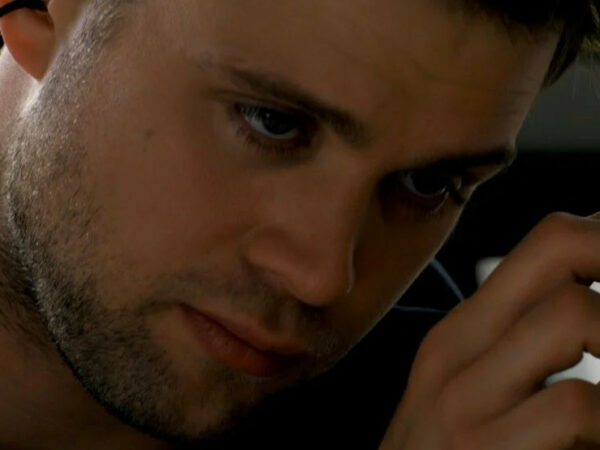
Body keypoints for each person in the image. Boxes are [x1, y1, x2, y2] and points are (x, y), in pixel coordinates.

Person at [0, 0, 599, 448]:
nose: (322, 278)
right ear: (40, 13)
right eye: (271, 122)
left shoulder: (439, 412)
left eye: (428, 183)